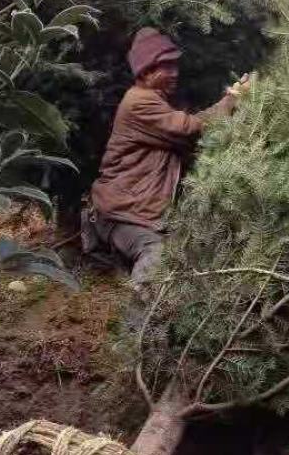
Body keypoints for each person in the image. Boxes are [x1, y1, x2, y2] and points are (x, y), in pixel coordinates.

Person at [86, 27, 249, 286]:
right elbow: (191, 129)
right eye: (167, 67)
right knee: (158, 257)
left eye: (175, 66)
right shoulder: (139, 103)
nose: (175, 73)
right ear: (147, 71)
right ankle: (139, 320)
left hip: (131, 211)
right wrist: (230, 102)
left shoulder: (152, 100)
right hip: (122, 215)